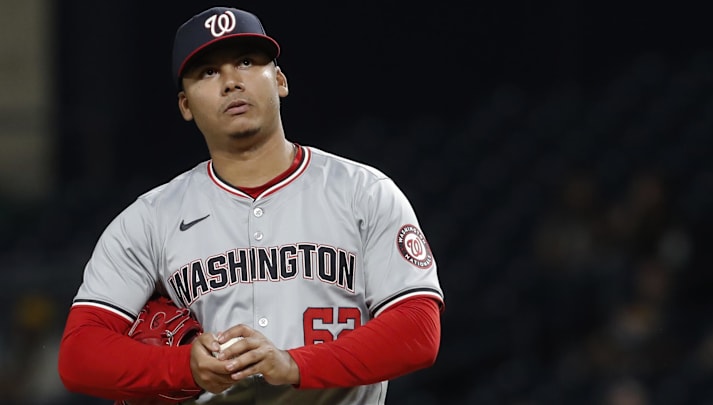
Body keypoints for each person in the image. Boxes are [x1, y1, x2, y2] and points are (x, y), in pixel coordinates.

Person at [58, 6, 444, 405]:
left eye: (246, 62)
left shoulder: (363, 191)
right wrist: (182, 367)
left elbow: (418, 329)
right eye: (208, 72)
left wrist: (294, 365)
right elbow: (79, 354)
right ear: (185, 105)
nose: (230, 82)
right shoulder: (149, 219)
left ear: (279, 80)